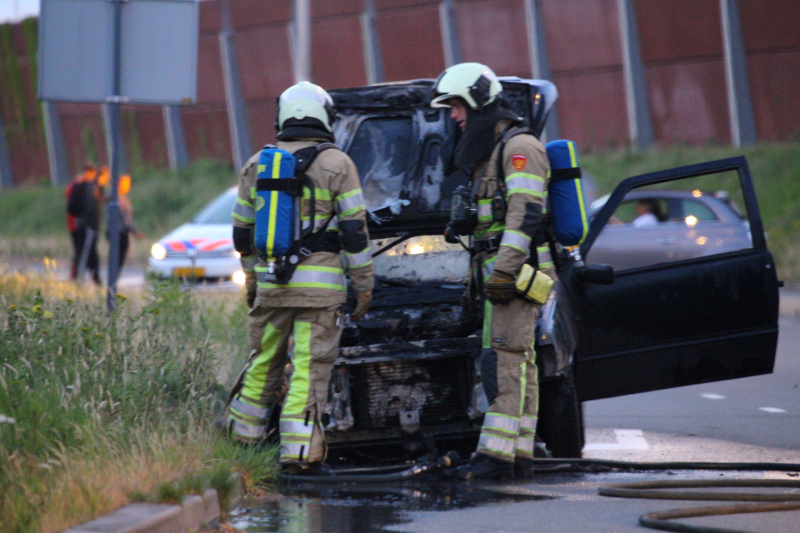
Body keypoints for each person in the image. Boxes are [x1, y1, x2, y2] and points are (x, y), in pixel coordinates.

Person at [225, 81, 374, 475]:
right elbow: (355, 233)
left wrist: (253, 282)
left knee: (264, 362)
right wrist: (363, 284)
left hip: (273, 288)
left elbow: (243, 234)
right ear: (324, 116)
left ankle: (242, 444)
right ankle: (300, 456)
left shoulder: (256, 163)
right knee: (308, 367)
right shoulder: (339, 165)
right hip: (319, 294)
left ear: (283, 117)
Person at [431, 62, 556, 479]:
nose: (453, 116)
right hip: (497, 276)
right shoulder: (492, 153)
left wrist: (503, 271)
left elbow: (525, 215)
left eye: (456, 106)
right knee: (517, 361)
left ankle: (495, 456)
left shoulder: (519, 148)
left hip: (513, 277)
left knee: (503, 361)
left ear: (478, 101)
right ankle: (518, 452)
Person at [66, 161, 103, 285]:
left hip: (87, 225)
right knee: (83, 253)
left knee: (90, 253)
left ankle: (94, 279)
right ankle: (77, 279)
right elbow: (73, 207)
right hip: (82, 226)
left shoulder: (91, 186)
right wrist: (84, 220)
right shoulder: (81, 186)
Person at [110, 174, 144, 273]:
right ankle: (113, 282)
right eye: (125, 184)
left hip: (123, 232)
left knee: (121, 259)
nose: (127, 186)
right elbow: (123, 220)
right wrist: (135, 231)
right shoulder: (118, 199)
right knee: (119, 259)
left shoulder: (121, 198)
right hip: (120, 232)